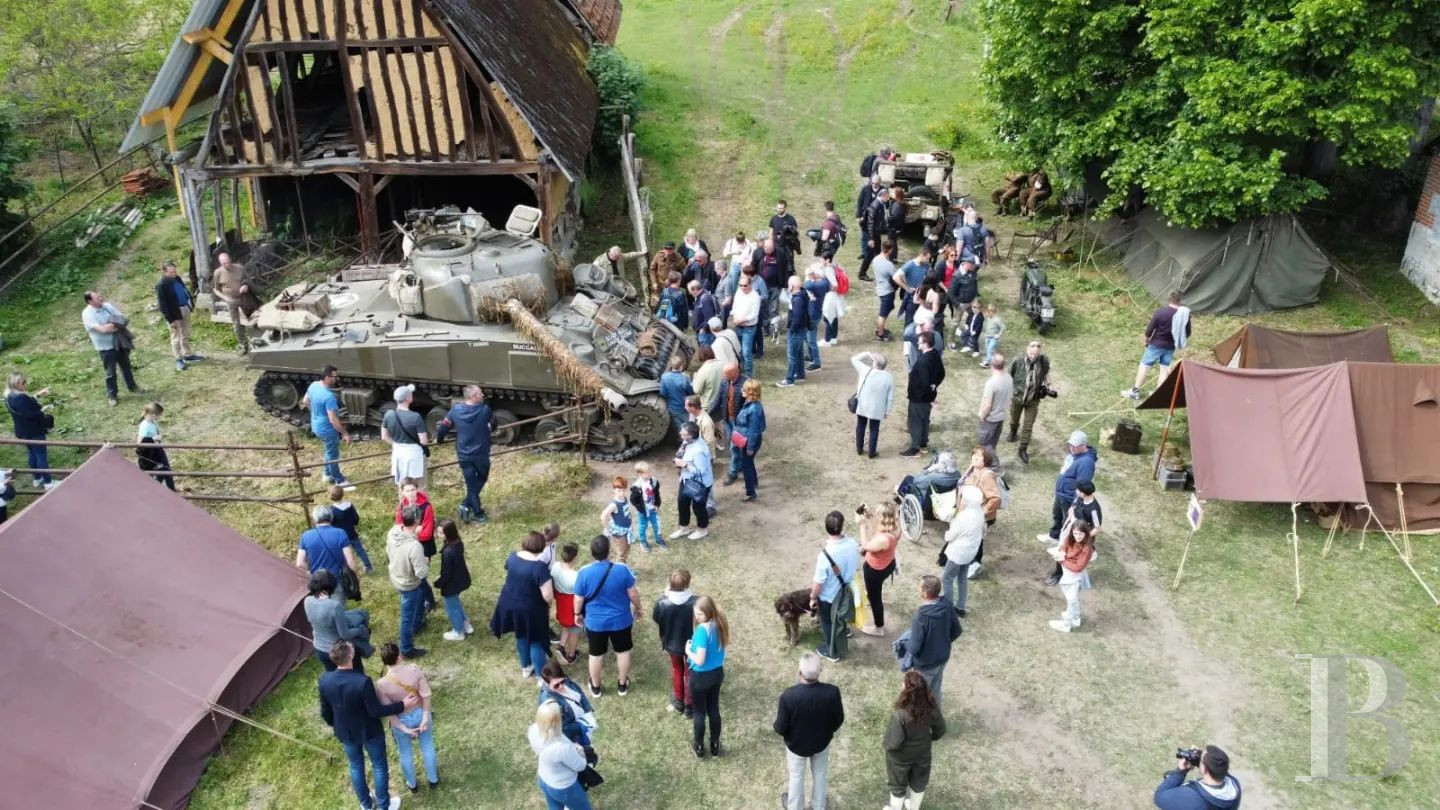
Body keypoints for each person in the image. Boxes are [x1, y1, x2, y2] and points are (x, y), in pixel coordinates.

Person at [317, 640, 416, 810]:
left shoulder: (325, 680)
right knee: (378, 766)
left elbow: (325, 711)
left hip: (346, 733)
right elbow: (375, 711)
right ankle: (384, 805)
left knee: (355, 766)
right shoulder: (362, 681)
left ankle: (366, 805)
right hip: (370, 731)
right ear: (351, 656)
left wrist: (335, 725)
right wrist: (402, 705)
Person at [573, 534, 642, 697]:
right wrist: (638, 608)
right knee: (623, 651)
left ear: (591, 553)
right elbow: (633, 594)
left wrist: (577, 614)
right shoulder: (622, 569)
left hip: (595, 622)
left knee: (596, 654)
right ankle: (622, 684)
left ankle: (596, 687)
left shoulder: (583, 572)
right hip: (621, 621)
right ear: (609, 551)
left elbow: (578, 599)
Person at [774, 652, 845, 810]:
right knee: (820, 775)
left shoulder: (788, 697)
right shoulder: (832, 692)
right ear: (820, 671)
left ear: (799, 673)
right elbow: (838, 719)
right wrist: (827, 732)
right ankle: (819, 806)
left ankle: (795, 806)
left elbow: (780, 728)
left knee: (796, 776)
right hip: (821, 743)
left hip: (796, 746)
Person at [376, 642, 440, 793]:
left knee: (405, 753)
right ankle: (433, 780)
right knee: (427, 747)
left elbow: (389, 712)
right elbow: (426, 694)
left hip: (401, 720)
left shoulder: (382, 684)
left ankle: (412, 784)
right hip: (419, 712)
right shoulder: (414, 669)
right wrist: (425, 717)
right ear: (399, 657)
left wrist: (403, 728)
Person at [490, 530, 555, 678]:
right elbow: (547, 595)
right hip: (530, 609)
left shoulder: (512, 557)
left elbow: (508, 568)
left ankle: (526, 667)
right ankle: (541, 675)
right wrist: (549, 605)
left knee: (520, 635)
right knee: (536, 640)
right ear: (541, 547)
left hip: (509, 602)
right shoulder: (540, 567)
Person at [883, 670, 946, 810]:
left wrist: (886, 745)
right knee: (919, 783)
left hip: (900, 759)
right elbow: (940, 730)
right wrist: (929, 739)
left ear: (906, 691)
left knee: (898, 787)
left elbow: (893, 743)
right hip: (922, 754)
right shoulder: (932, 708)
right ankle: (913, 807)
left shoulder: (900, 715)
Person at [433, 384, 494, 524]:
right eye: (480, 393)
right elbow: (494, 423)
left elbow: (443, 427)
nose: (483, 395)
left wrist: (440, 440)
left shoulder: (455, 410)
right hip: (481, 453)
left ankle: (466, 505)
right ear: (473, 397)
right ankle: (477, 513)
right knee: (481, 478)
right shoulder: (485, 410)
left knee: (471, 483)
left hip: (463, 454)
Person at [810, 511, 861, 662]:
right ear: (842, 527)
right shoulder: (852, 543)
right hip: (848, 589)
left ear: (826, 529)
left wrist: (813, 597)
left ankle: (832, 651)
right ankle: (844, 631)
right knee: (842, 612)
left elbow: (818, 583)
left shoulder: (825, 556)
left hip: (829, 596)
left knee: (827, 621)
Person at [907, 574, 962, 709]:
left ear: (925, 593)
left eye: (919, 587)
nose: (917, 589)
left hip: (925, 664)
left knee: (919, 696)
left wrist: (906, 643)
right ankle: (936, 719)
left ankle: (921, 722)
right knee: (935, 690)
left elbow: (914, 647)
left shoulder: (922, 616)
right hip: (942, 657)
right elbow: (957, 630)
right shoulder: (947, 604)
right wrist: (943, 643)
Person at [1125, 291, 1192, 400]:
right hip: (1171, 346)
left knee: (1145, 365)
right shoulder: (1184, 316)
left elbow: (1149, 330)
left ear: (1169, 299)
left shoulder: (1161, 312)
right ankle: (1158, 395)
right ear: (1181, 300)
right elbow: (1187, 333)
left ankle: (1135, 391)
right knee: (1164, 369)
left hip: (1156, 344)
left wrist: (1146, 340)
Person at [528, 701, 594, 810]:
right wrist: (581, 752)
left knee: (555, 807)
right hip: (564, 786)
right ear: (556, 722)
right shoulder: (561, 749)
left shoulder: (534, 730)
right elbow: (580, 766)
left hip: (544, 779)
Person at [686, 595, 728, 759]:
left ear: (709, 613)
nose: (697, 617)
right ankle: (715, 745)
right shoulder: (720, 624)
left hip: (700, 677)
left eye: (700, 614)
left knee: (699, 713)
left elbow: (700, 659)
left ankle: (699, 746)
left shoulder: (702, 631)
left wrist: (688, 650)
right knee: (713, 709)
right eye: (695, 613)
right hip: (716, 673)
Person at [81, 291, 140, 407]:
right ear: (90, 301)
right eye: (98, 298)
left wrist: (110, 326)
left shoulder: (107, 306)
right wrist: (114, 325)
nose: (101, 299)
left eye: (100, 296)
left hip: (119, 342)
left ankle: (132, 386)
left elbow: (122, 319)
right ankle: (112, 396)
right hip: (105, 347)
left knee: (126, 366)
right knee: (110, 372)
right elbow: (102, 330)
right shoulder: (87, 314)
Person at [386, 508, 430, 659]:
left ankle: (417, 625)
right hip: (409, 584)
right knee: (407, 617)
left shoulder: (393, 532)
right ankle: (406, 648)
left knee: (418, 600)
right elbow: (421, 573)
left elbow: (388, 552)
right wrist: (425, 562)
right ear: (417, 521)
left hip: (396, 576)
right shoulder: (414, 546)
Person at [1041, 431, 1099, 542]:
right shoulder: (1076, 455)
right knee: (1057, 516)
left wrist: (1075, 503)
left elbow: (1082, 486)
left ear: (1083, 446)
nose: (1071, 448)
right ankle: (1054, 536)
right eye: (1071, 445)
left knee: (1068, 522)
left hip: (1069, 497)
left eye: (1075, 446)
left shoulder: (1086, 462)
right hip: (1061, 494)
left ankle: (1065, 545)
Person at [305, 569, 368, 673]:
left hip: (320, 649)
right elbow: (345, 635)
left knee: (334, 678)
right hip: (339, 651)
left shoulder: (307, 601)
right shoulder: (334, 606)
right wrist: (360, 630)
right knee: (357, 675)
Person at [653, 569, 696, 716]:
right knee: (690, 671)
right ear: (688, 583)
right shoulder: (696, 602)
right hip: (693, 644)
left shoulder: (662, 602)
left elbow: (656, 618)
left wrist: (665, 595)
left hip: (672, 643)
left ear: (670, 584)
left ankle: (678, 700)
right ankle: (689, 705)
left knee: (677, 669)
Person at [303, 365, 354, 487]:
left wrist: (318, 411)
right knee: (333, 455)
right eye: (335, 376)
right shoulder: (329, 396)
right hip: (327, 429)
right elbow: (333, 419)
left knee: (329, 450)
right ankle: (339, 480)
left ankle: (326, 474)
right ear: (327, 377)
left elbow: (305, 401)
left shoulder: (313, 385)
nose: (337, 379)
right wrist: (345, 433)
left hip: (315, 424)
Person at [4, 373, 56, 490]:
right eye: (24, 382)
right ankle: (48, 483)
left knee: (32, 454)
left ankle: (37, 479)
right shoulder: (21, 398)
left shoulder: (10, 396)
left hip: (23, 431)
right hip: (34, 431)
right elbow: (29, 414)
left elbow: (25, 407)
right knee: (41, 456)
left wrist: (38, 395)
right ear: (17, 384)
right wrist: (43, 409)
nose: (26, 384)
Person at [939, 485, 985, 616]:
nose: (961, 500)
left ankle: (948, 607)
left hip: (958, 554)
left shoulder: (962, 518)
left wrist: (949, 525)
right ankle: (960, 607)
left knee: (947, 578)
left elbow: (950, 536)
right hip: (970, 552)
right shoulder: (979, 513)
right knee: (962, 578)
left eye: (963, 498)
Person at [959, 446, 1003, 579]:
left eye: (979, 457)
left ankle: (974, 565)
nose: (975, 458)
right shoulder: (973, 469)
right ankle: (968, 561)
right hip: (970, 512)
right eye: (974, 455)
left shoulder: (986, 475)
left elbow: (995, 498)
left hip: (979, 516)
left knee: (976, 540)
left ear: (986, 460)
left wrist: (982, 514)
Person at [858, 502, 901, 637]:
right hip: (888, 564)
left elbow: (866, 545)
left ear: (883, 518)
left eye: (877, 514)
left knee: (875, 598)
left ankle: (879, 628)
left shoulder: (883, 539)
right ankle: (871, 594)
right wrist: (870, 518)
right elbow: (877, 531)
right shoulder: (895, 528)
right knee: (875, 590)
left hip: (875, 571)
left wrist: (861, 525)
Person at [1153, 746, 1243, 810]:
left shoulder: (1192, 798)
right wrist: (1202, 758)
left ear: (1205, 769)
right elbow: (1217, 766)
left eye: (1200, 759)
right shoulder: (1234, 786)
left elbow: (1159, 797)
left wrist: (1180, 772)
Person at [395, 479, 437, 613]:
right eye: (407, 490)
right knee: (411, 574)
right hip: (408, 545)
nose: (411, 493)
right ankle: (417, 597)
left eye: (413, 490)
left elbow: (427, 532)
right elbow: (398, 525)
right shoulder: (402, 505)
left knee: (421, 576)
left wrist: (410, 533)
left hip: (423, 546)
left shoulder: (426, 507)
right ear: (403, 492)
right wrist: (415, 530)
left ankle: (429, 600)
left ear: (417, 489)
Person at [1007, 340, 1052, 465]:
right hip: (1018, 397)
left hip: (1034, 399)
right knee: (1014, 418)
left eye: (1037, 350)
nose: (1034, 353)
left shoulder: (1043, 361)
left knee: (1028, 425)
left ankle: (1022, 449)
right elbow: (1008, 376)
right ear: (1027, 349)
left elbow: (1046, 373)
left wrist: (1049, 387)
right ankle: (1013, 431)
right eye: (1032, 349)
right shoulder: (1017, 360)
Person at [1048, 519, 1095, 633]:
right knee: (1072, 599)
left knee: (1071, 600)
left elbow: (1078, 567)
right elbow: (1064, 545)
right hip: (1067, 573)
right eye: (1075, 533)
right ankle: (1076, 618)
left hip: (1075, 577)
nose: (1077, 536)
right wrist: (1063, 552)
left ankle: (1066, 625)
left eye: (1080, 534)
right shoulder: (1071, 537)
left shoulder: (1087, 548)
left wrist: (1062, 560)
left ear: (1086, 533)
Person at [155, 260, 203, 371]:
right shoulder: (161, 285)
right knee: (175, 337)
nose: (174, 274)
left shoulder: (177, 278)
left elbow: (183, 290)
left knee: (185, 333)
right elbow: (162, 305)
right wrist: (170, 319)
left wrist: (189, 302)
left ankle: (188, 355)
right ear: (165, 272)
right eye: (171, 272)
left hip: (184, 308)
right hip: (174, 312)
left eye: (175, 271)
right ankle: (178, 359)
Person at [902, 332, 945, 457]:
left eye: (920, 342)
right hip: (928, 397)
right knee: (925, 421)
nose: (918, 344)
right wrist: (934, 387)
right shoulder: (935, 355)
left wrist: (926, 394)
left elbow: (924, 382)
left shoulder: (922, 361)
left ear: (926, 344)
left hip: (919, 398)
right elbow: (942, 373)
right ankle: (923, 444)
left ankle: (915, 448)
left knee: (915, 422)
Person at [671, 421, 713, 539]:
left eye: (683, 433)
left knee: (698, 507)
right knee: (682, 504)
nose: (680, 433)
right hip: (686, 479)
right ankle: (684, 529)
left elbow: (701, 471)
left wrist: (684, 465)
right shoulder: (687, 441)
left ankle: (702, 530)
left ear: (690, 435)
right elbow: (682, 453)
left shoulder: (699, 450)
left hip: (699, 484)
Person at [297, 504, 360, 584]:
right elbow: (350, 560)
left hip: (317, 582)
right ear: (331, 517)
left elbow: (300, 564)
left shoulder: (305, 536)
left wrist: (310, 575)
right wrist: (355, 578)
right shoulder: (340, 533)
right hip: (338, 581)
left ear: (315, 519)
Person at [433, 520, 472, 642]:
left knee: (452, 608)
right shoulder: (458, 543)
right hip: (462, 579)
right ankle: (465, 624)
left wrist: (437, 583)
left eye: (441, 532)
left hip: (452, 584)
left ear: (448, 533)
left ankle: (458, 631)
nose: (438, 534)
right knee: (456, 603)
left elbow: (446, 574)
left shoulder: (448, 552)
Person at [382, 385, 429, 489]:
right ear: (408, 399)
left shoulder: (388, 414)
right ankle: (419, 505)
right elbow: (424, 441)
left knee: (402, 484)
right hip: (414, 454)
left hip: (398, 453)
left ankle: (403, 504)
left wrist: (395, 444)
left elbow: (384, 436)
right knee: (419, 485)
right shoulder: (416, 417)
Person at [210, 252, 257, 354]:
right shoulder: (218, 273)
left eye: (228, 262)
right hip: (231, 300)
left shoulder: (239, 268)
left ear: (230, 260)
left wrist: (246, 286)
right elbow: (216, 289)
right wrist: (225, 298)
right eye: (224, 263)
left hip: (244, 298)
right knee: (237, 324)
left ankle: (257, 342)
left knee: (253, 318)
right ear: (220, 263)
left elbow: (247, 279)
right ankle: (244, 345)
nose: (227, 265)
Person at [850, 352, 895, 458]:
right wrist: (887, 411)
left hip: (862, 405)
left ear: (874, 362)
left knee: (860, 425)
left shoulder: (864, 370)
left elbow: (854, 359)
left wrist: (866, 353)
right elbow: (890, 397)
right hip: (877, 408)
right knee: (874, 429)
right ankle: (872, 452)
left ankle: (859, 448)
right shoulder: (889, 377)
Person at [714, 363, 749, 486]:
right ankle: (740, 466)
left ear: (734, 373)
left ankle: (732, 473)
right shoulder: (725, 382)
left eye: (726, 373)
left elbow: (748, 405)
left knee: (734, 448)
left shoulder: (746, 383)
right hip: (727, 420)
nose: (723, 375)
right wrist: (707, 412)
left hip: (738, 423)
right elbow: (718, 399)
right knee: (732, 445)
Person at [732, 379, 766, 502]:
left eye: (744, 389)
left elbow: (753, 430)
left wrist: (750, 447)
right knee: (749, 462)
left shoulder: (754, 409)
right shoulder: (749, 402)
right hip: (746, 440)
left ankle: (750, 492)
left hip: (749, 441)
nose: (741, 391)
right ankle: (754, 482)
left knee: (746, 465)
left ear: (750, 392)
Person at [329, 485, 374, 573]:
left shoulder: (331, 510)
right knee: (360, 550)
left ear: (330, 496)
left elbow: (331, 524)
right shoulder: (349, 506)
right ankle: (368, 567)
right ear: (342, 494)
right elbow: (356, 519)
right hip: (352, 533)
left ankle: (344, 570)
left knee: (342, 554)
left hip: (339, 536)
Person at [551, 543, 583, 664]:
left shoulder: (555, 567)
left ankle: (562, 646)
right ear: (574, 558)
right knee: (574, 629)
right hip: (572, 604)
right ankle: (571, 655)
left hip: (561, 601)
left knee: (566, 624)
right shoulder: (575, 576)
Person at [778, 275, 811, 388]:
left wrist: (791, 329)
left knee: (792, 355)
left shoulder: (797, 299)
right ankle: (800, 374)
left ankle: (789, 379)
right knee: (799, 352)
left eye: (788, 284)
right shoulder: (803, 293)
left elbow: (797, 317)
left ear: (791, 285)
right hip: (801, 328)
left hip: (796, 330)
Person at [136, 402, 176, 491]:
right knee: (165, 471)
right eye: (159, 415)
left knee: (165, 470)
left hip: (157, 450)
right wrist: (154, 438)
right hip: (151, 454)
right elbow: (139, 442)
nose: (160, 417)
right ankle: (171, 492)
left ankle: (158, 489)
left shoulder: (152, 422)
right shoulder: (144, 426)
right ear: (153, 415)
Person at [976, 353, 1013, 452]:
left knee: (984, 447)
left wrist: (982, 416)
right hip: (1001, 418)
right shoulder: (1009, 378)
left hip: (990, 420)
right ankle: (990, 464)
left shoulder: (991, 383)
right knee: (992, 445)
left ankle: (991, 465)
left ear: (991, 365)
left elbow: (987, 405)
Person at [730, 271, 762, 377]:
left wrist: (742, 320)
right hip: (738, 325)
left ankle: (748, 374)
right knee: (739, 349)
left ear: (750, 284)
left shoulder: (755, 297)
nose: (743, 287)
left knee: (746, 351)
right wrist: (734, 316)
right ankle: (741, 369)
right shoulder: (739, 292)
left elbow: (754, 314)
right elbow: (734, 306)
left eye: (745, 285)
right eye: (741, 285)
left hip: (749, 327)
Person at [600, 475, 638, 561]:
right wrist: (608, 529)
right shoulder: (614, 504)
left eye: (624, 490)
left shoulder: (624, 498)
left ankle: (623, 566)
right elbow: (603, 516)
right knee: (622, 553)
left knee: (627, 549)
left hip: (626, 529)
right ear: (614, 491)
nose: (622, 493)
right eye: (619, 490)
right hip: (620, 533)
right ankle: (620, 570)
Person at [630, 461, 666, 552]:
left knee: (656, 524)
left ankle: (658, 539)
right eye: (646, 472)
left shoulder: (653, 481)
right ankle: (643, 541)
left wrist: (657, 504)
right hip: (644, 511)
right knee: (643, 526)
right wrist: (640, 508)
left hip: (653, 508)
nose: (649, 474)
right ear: (640, 474)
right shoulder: (637, 486)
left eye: (649, 471)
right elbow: (633, 500)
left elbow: (657, 493)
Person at [892, 248, 930, 326]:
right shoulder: (910, 265)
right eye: (927, 258)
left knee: (919, 319)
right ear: (922, 255)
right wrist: (907, 288)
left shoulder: (926, 265)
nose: (928, 260)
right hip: (911, 297)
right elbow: (895, 277)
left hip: (921, 296)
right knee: (909, 320)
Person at [801, 265, 828, 371]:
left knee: (811, 340)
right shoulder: (823, 282)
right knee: (807, 337)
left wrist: (809, 276)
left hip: (813, 315)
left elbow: (807, 284)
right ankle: (811, 356)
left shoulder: (817, 285)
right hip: (813, 313)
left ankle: (817, 363)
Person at [659, 355, 693, 436]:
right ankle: (689, 441)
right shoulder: (685, 379)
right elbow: (690, 392)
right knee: (688, 426)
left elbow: (662, 393)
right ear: (681, 366)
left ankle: (681, 439)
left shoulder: (664, 377)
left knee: (679, 427)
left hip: (672, 408)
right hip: (683, 408)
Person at [818, 252, 846, 346]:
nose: (820, 260)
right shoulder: (833, 266)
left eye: (822, 259)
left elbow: (835, 284)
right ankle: (833, 338)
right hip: (835, 296)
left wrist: (828, 288)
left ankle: (827, 340)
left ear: (827, 260)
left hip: (831, 297)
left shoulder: (829, 270)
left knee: (828, 318)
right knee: (833, 317)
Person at [872, 241, 898, 340]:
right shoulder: (888, 264)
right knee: (883, 314)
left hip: (880, 288)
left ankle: (880, 327)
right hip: (887, 291)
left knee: (887, 309)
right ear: (890, 250)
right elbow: (896, 277)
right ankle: (880, 334)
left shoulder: (875, 259)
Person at [648, 242, 686, 308]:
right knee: (655, 303)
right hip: (659, 283)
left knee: (670, 303)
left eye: (670, 249)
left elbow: (683, 268)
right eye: (666, 248)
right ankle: (655, 315)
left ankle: (667, 314)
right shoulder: (659, 255)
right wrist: (654, 282)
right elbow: (652, 269)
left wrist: (675, 258)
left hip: (671, 285)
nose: (667, 250)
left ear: (674, 249)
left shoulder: (677, 256)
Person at [691, 345, 724, 413]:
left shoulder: (703, 370)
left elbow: (697, 390)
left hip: (709, 404)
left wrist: (695, 379)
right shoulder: (722, 364)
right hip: (722, 402)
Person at [685, 393, 719, 459]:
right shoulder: (692, 414)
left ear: (692, 408)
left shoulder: (706, 422)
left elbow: (709, 443)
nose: (685, 408)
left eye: (686, 406)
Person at [979, 302, 1004, 367]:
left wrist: (999, 334)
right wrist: (983, 332)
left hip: (994, 338)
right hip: (987, 337)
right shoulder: (987, 319)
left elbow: (1003, 327)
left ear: (994, 312)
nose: (989, 313)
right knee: (989, 350)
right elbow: (986, 326)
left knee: (990, 349)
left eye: (991, 312)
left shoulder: (997, 319)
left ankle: (988, 363)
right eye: (988, 311)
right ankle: (996, 361)